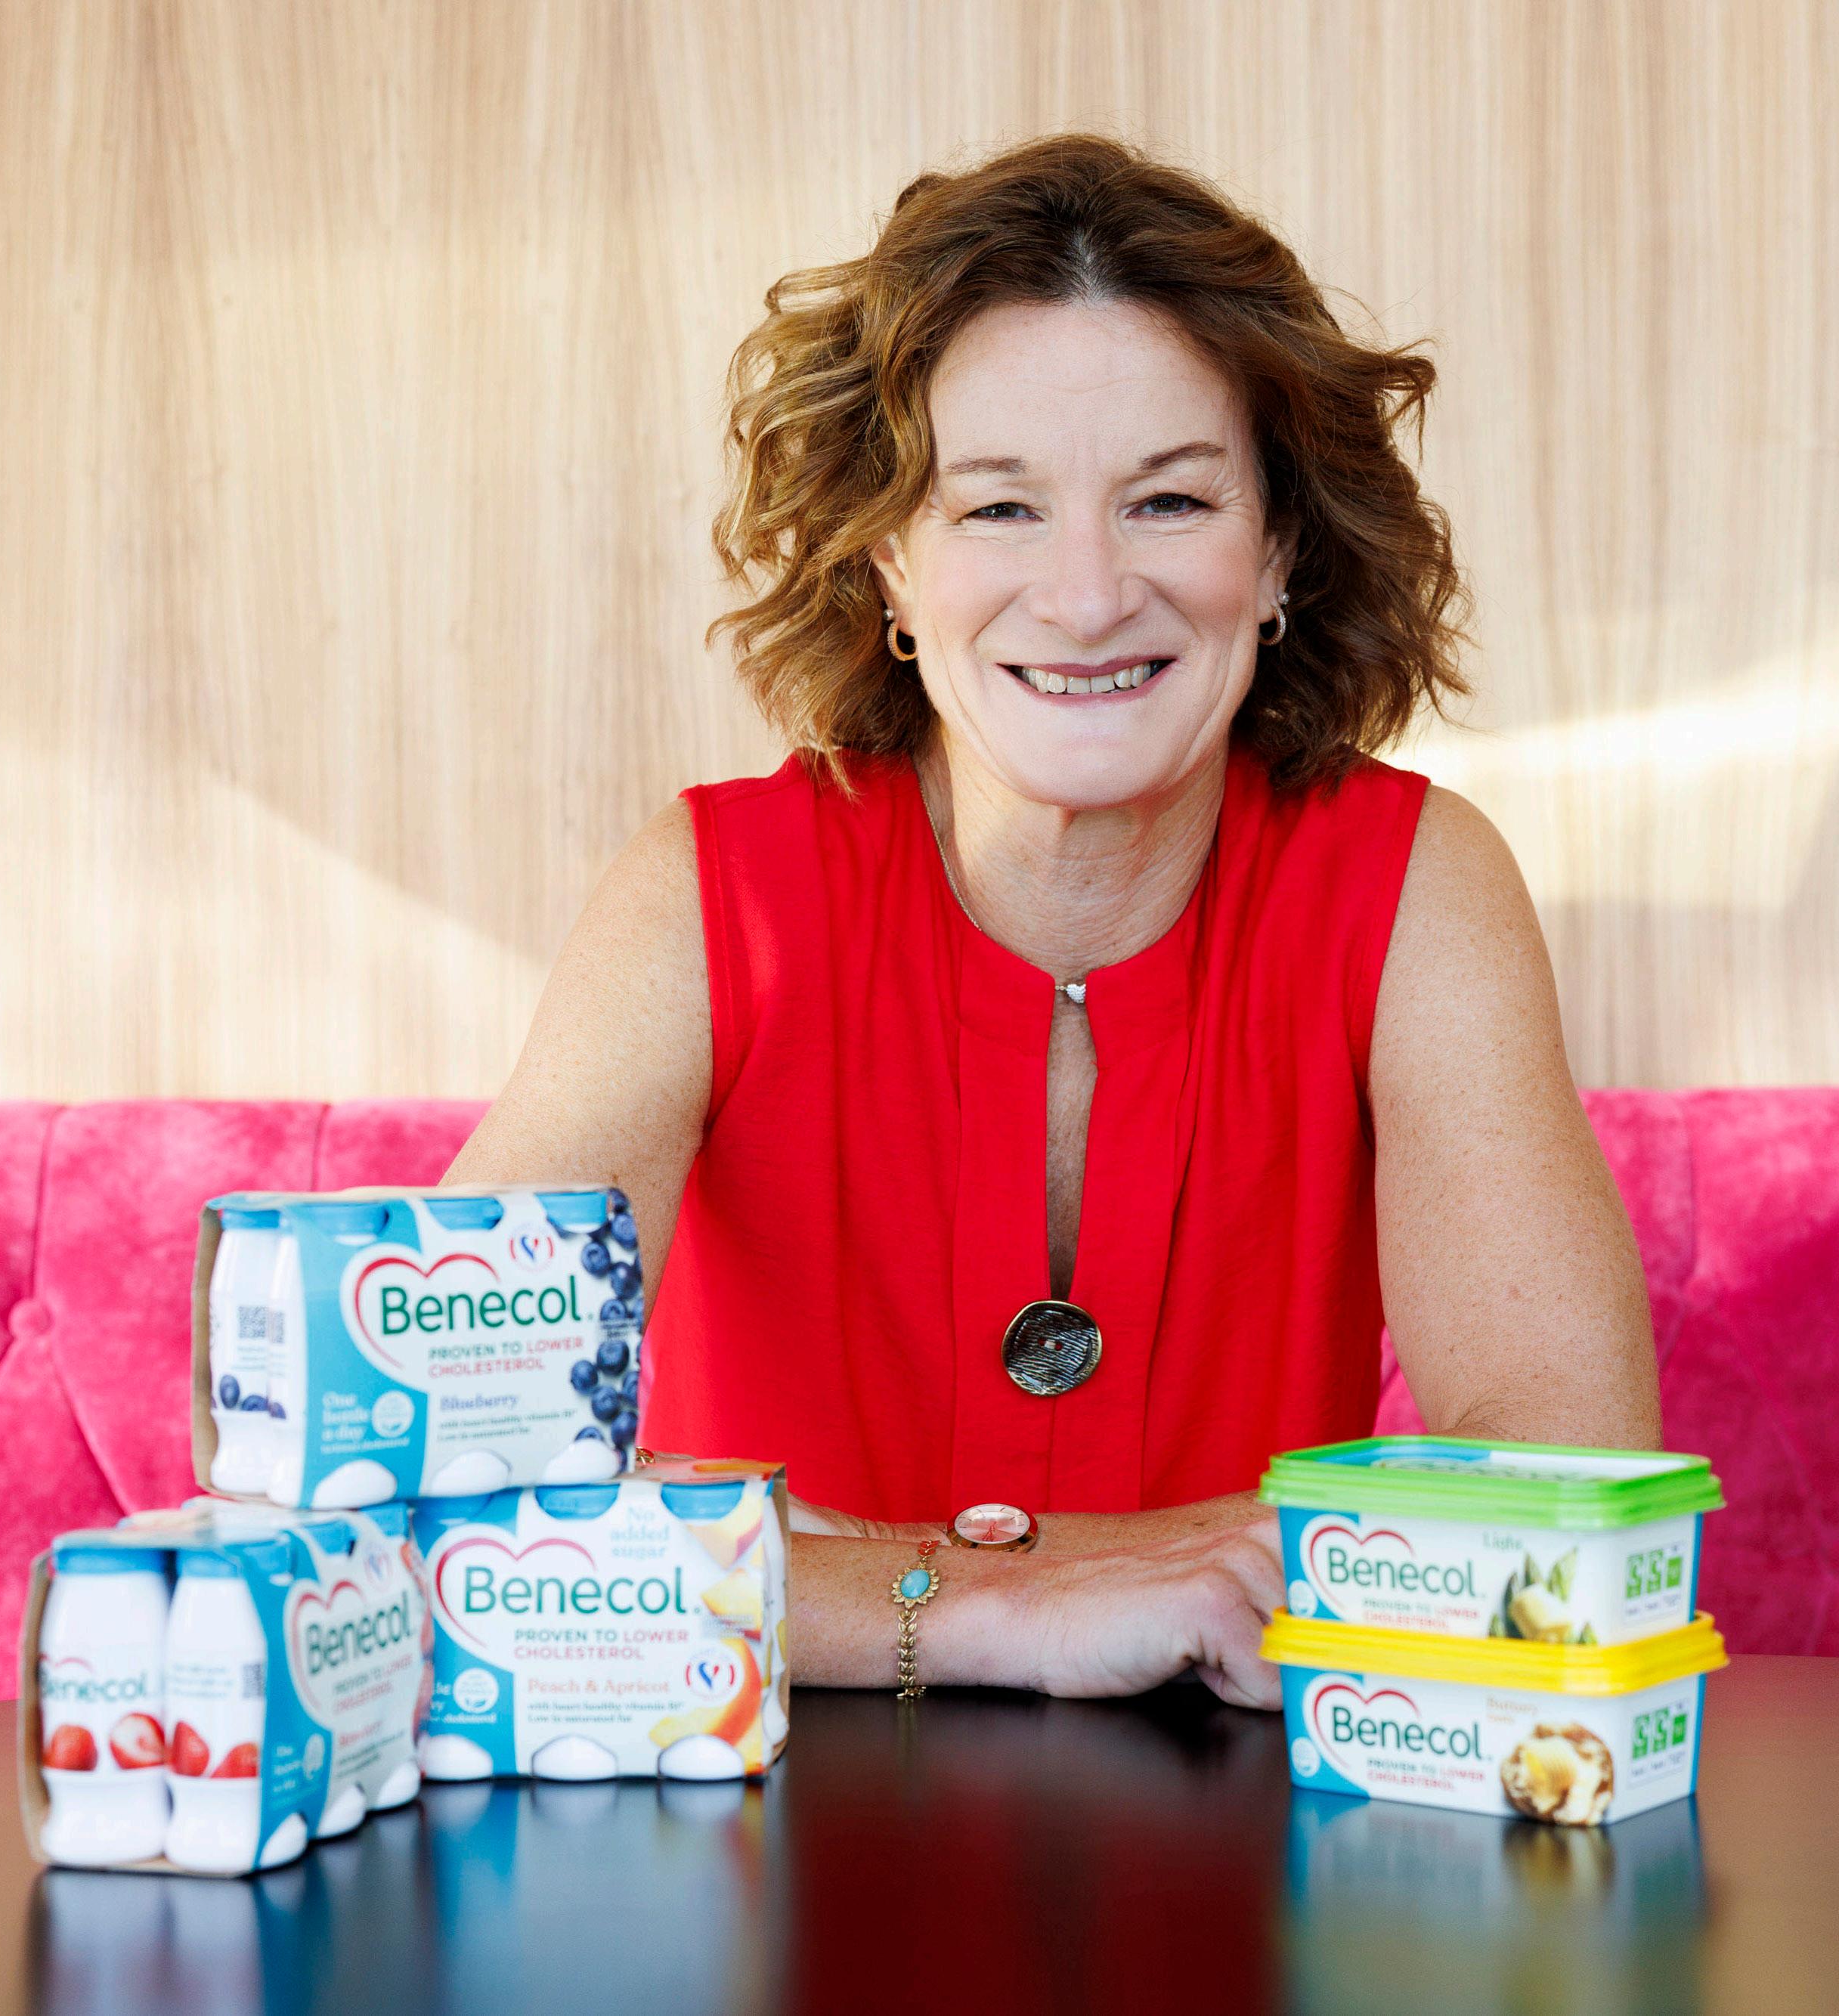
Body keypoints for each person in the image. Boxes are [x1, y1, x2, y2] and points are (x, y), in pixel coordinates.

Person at [444, 133, 1661, 1708]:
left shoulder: (1417, 882)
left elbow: (1569, 1494)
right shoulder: (702, 894)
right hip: (763, 1803)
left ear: (1277, 550)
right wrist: (989, 1603)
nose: (1085, 596)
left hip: (1253, 1793)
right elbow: (448, 1475)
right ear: (891, 563)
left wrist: (815, 1567)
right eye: (998, 509)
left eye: (1168, 500)